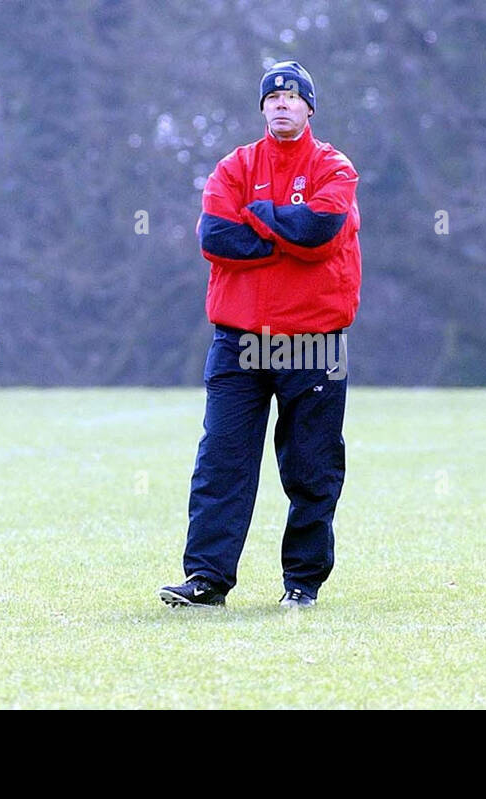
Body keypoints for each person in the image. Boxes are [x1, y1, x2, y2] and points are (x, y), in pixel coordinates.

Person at [159, 61, 362, 609]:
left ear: (310, 108)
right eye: (272, 96)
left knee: (312, 467)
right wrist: (283, 235)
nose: (281, 104)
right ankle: (206, 581)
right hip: (239, 339)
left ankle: (303, 582)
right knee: (222, 461)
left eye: (293, 97)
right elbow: (217, 237)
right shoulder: (234, 167)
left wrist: (259, 217)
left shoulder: (334, 167)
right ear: (262, 107)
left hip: (313, 340)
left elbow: (320, 231)